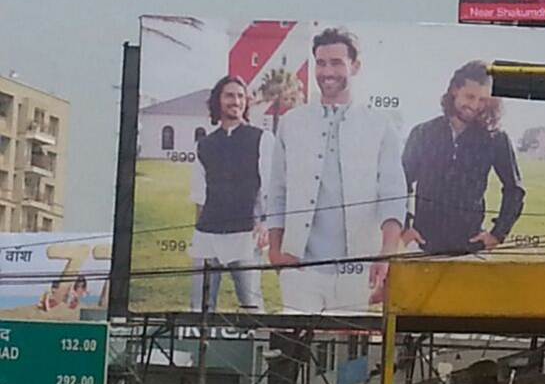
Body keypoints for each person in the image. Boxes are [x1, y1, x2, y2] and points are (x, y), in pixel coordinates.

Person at [267, 27, 404, 314]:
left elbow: (393, 196)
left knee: (345, 353)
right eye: (321, 63)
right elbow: (277, 191)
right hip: (299, 266)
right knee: (294, 351)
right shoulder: (292, 123)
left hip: (356, 268)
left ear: (355, 66)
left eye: (336, 62)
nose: (327, 71)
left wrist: (386, 255)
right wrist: (276, 252)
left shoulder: (380, 125)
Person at [401, 61, 525, 256]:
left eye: (483, 99)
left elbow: (514, 189)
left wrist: (498, 234)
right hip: (422, 245)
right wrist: (404, 226)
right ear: (454, 90)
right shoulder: (422, 133)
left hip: (471, 246)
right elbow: (401, 183)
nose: (475, 105)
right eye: (470, 96)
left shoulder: (496, 138)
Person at [189, 74, 273, 312]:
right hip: (207, 236)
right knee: (200, 308)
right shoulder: (204, 144)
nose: (235, 101)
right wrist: (198, 232)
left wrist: (265, 223)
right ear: (218, 101)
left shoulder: (262, 139)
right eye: (229, 95)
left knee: (252, 306)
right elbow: (199, 195)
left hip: (246, 236)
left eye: (240, 96)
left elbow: (271, 188)